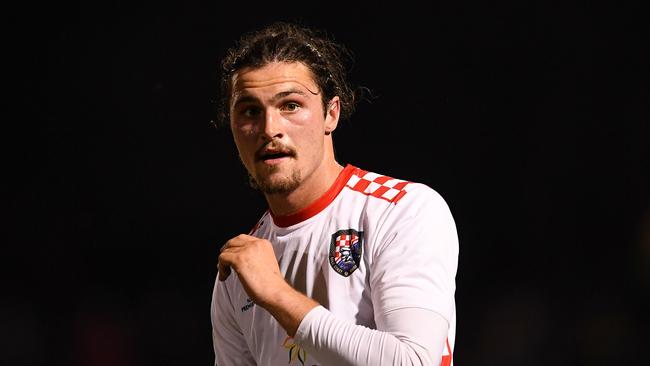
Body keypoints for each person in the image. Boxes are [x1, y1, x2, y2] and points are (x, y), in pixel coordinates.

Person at [211, 21, 459, 366]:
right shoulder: (237, 270)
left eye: (291, 105)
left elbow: (413, 360)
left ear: (331, 113)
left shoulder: (404, 210)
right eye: (250, 111)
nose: (270, 129)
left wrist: (277, 294)